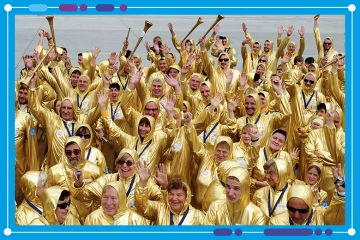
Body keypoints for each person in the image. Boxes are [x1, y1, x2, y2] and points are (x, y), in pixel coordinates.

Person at [73, 148, 163, 209]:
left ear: (136, 164)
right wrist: (78, 184)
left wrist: (164, 187)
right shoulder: (107, 180)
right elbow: (82, 196)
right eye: (121, 162)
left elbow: (162, 203)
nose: (124, 165)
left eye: (129, 163)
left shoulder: (144, 181)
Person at [47, 136, 103, 223]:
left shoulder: (95, 171)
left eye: (76, 152)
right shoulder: (54, 172)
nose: (72, 156)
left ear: (83, 150)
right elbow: (49, 200)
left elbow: (101, 197)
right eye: (68, 153)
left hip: (90, 221)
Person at [135, 162, 204, 225]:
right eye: (171, 194)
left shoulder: (198, 216)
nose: (174, 198)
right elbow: (141, 206)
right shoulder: (159, 209)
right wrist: (143, 182)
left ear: (186, 197)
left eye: (179, 195)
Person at [84, 181, 149, 225]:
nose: (108, 203)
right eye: (105, 197)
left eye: (113, 198)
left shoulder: (136, 221)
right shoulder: (92, 218)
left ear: (122, 199)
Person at [253, 159, 292, 223]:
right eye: (266, 172)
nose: (267, 176)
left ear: (281, 174)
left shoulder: (293, 195)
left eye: (271, 173)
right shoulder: (259, 194)